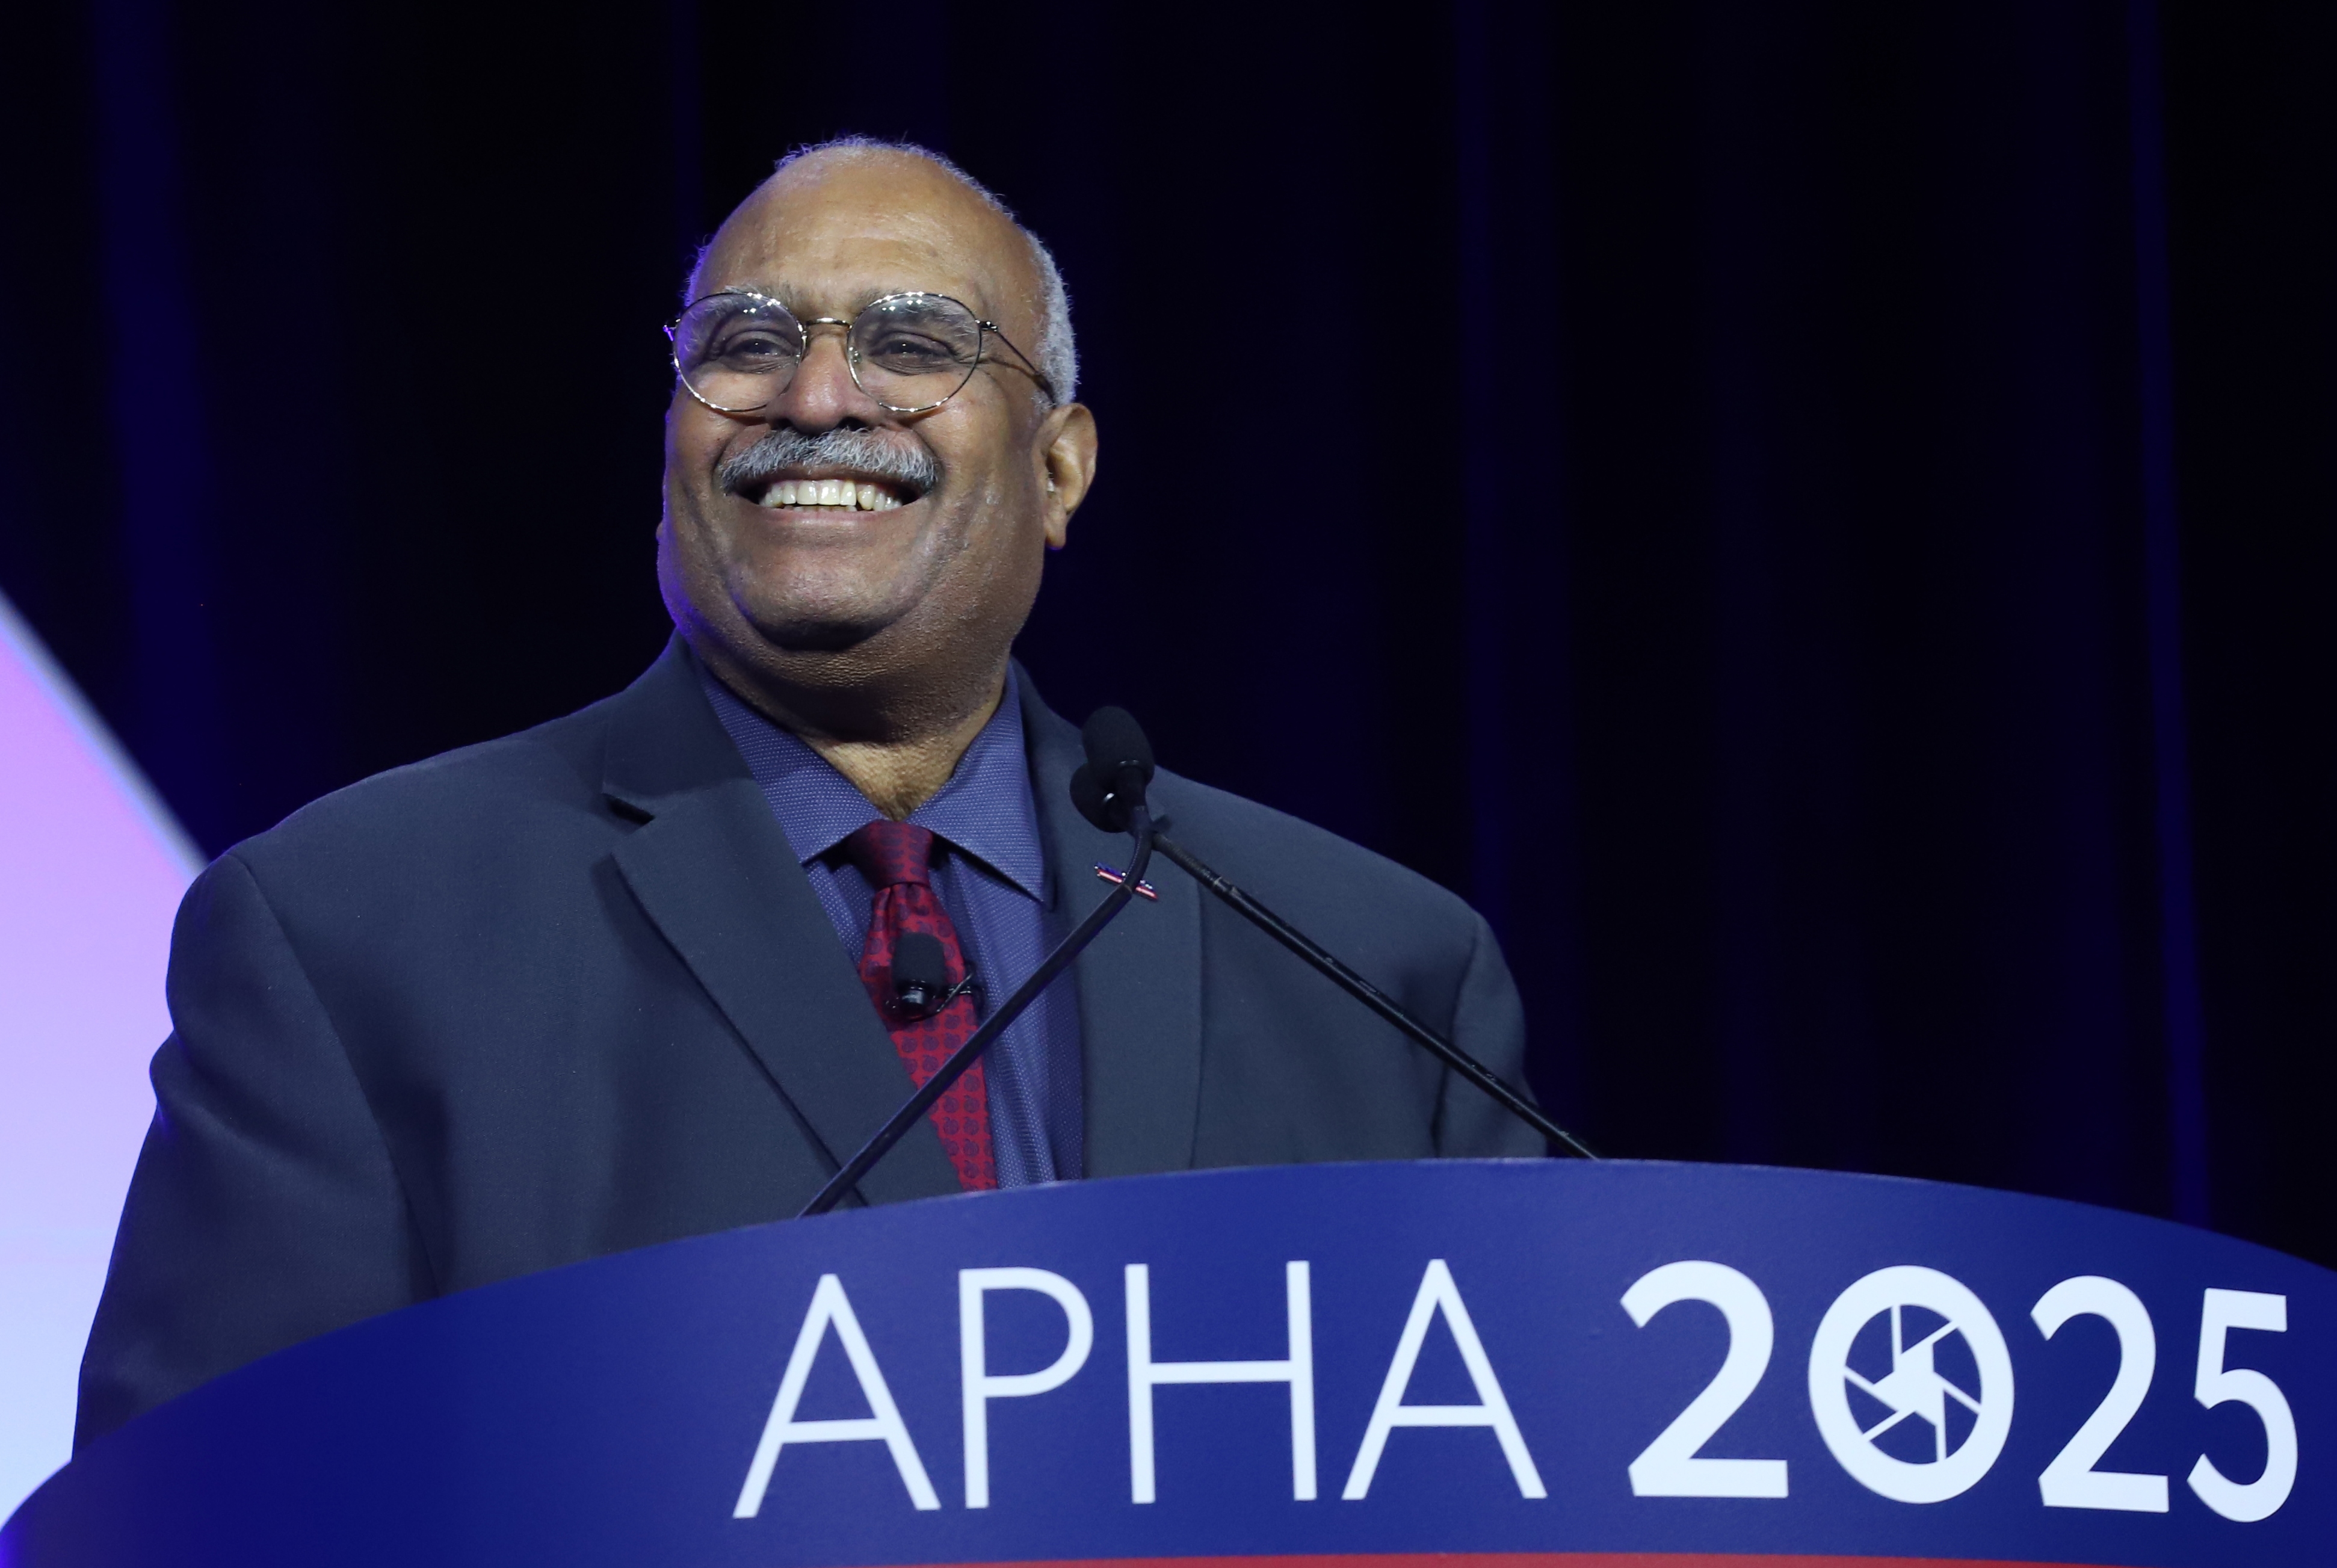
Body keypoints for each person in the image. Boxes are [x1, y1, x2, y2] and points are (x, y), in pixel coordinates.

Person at [76, 140, 1543, 1446]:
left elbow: (1532, 1518)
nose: (819, 393)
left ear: (1058, 466)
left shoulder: (1375, 970)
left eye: (915, 341)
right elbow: (196, 1541)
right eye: (745, 340)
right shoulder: (354, 930)